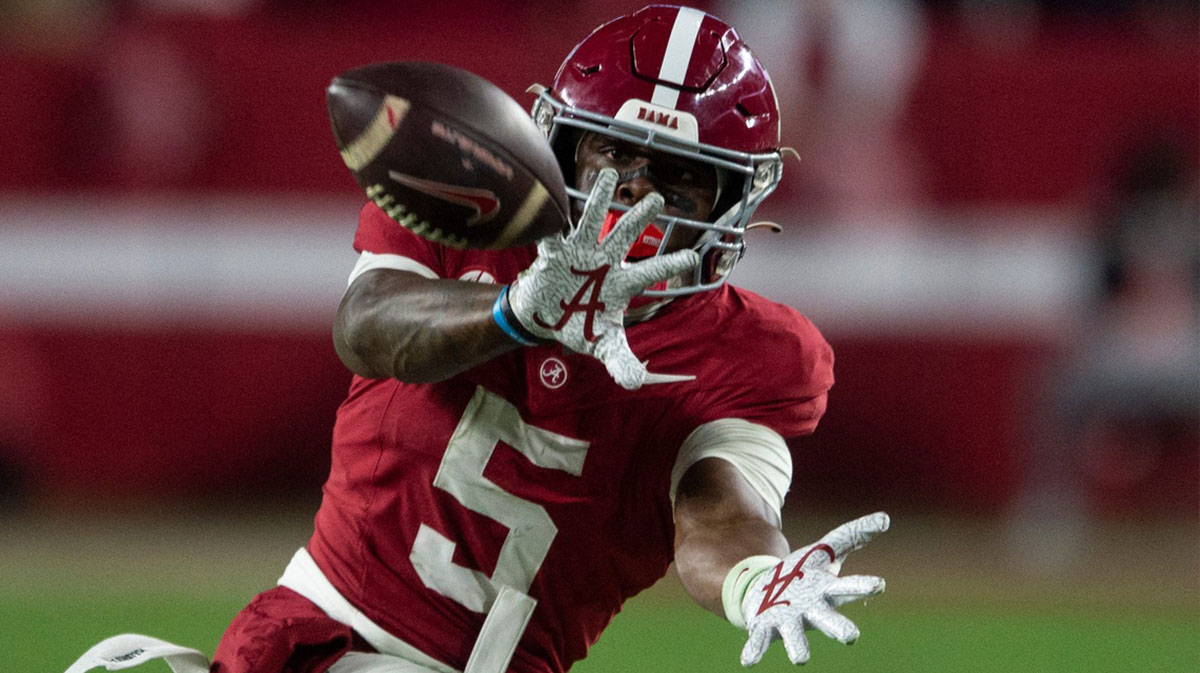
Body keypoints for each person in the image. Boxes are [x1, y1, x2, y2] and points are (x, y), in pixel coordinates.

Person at [64, 6, 888, 673]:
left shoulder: (754, 355)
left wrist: (754, 578)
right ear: (556, 146)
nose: (631, 196)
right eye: (611, 155)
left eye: (676, 178)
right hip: (333, 637)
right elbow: (367, 324)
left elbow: (720, 509)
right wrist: (513, 313)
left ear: (734, 205)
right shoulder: (462, 211)